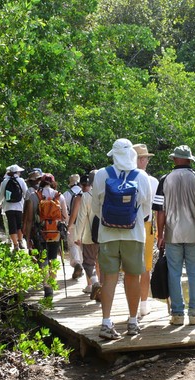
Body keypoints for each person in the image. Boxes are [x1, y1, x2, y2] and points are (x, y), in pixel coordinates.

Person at [91, 138, 152, 339]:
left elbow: (95, 208)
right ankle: (133, 321)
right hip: (134, 235)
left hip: (107, 235)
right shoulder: (141, 176)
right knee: (132, 277)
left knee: (109, 278)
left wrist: (110, 221)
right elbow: (146, 210)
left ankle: (106, 323)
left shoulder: (101, 174)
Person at [152, 145, 195, 325]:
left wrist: (160, 235)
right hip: (193, 233)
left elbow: (160, 211)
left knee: (174, 273)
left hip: (173, 234)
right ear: (189, 159)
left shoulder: (164, 179)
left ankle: (177, 314)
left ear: (175, 159)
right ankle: (194, 314)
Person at [26, 173, 68, 297]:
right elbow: (65, 217)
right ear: (53, 183)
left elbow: (29, 220)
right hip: (55, 233)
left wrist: (27, 237)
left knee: (43, 259)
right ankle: (52, 282)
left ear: (41, 182)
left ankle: (47, 286)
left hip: (39, 233)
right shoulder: (59, 197)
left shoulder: (34, 196)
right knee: (53, 258)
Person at [133, 143, 159, 319]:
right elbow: (157, 209)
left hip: (125, 227)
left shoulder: (122, 178)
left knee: (129, 269)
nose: (147, 161)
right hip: (147, 226)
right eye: (146, 158)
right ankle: (143, 305)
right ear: (141, 160)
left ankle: (132, 307)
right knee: (145, 268)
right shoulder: (152, 181)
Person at [75, 170, 101, 299]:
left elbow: (81, 218)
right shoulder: (108, 194)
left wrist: (77, 236)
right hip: (107, 235)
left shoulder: (86, 196)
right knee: (103, 263)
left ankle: (95, 282)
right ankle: (103, 287)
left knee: (89, 262)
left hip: (90, 236)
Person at [0, 164, 28, 252]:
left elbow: (1, 195)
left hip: (8, 207)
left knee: (12, 226)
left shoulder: (5, 181)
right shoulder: (21, 181)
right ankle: (20, 241)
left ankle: (15, 245)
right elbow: (26, 194)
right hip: (20, 206)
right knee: (19, 225)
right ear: (17, 172)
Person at [63, 174, 84, 280]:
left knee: (72, 245)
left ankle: (77, 263)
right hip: (84, 223)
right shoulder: (84, 192)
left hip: (70, 223)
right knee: (82, 244)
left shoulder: (66, 194)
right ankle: (83, 265)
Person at [22, 168, 43, 252]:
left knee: (34, 246)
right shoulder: (44, 191)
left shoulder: (30, 192)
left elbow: (26, 211)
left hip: (34, 224)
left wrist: (24, 226)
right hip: (46, 224)